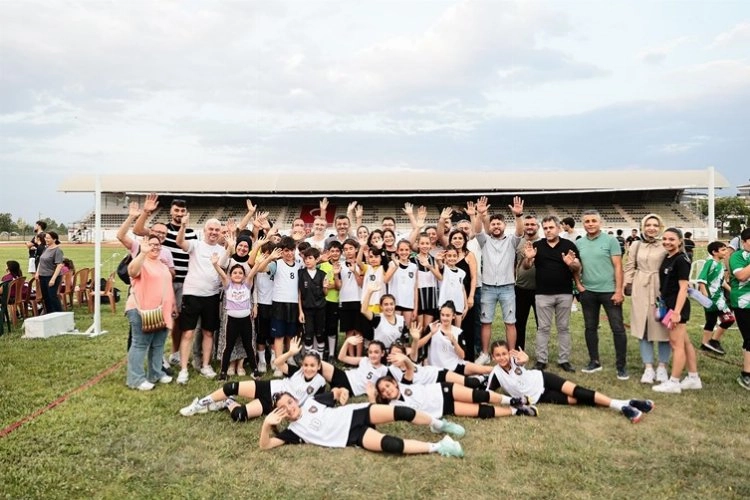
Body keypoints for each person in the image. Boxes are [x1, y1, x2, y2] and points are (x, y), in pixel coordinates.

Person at [260, 389, 465, 458]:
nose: (289, 408)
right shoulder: (293, 432)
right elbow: (265, 445)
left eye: (290, 402)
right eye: (283, 408)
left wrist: (342, 393)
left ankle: (438, 424)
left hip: (356, 414)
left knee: (403, 412)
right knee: (392, 445)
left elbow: (337, 392)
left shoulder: (313, 402)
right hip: (352, 436)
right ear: (280, 414)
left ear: (295, 400)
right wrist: (266, 425)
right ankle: (440, 446)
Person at [487, 341, 653, 423]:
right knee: (578, 400)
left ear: (509, 353)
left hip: (543, 379)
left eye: (504, 354)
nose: (502, 358)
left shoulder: (515, 359)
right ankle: (628, 402)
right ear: (493, 357)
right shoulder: (496, 373)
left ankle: (621, 407)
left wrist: (525, 359)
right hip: (539, 397)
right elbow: (489, 394)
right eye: (498, 355)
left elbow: (522, 361)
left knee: (579, 391)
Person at [179, 337, 327, 419]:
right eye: (306, 365)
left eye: (312, 366)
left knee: (239, 415)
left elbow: (317, 405)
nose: (308, 368)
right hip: (269, 388)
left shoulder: (320, 383)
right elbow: (277, 363)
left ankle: (227, 402)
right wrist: (290, 353)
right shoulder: (297, 372)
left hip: (273, 405)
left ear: (319, 366)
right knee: (231, 387)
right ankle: (199, 404)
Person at [373, 352, 537, 420]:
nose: (387, 390)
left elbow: (409, 368)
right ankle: (517, 411)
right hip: (444, 408)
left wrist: (405, 358)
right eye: (383, 391)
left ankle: (513, 400)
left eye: (387, 385)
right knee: (481, 411)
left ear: (394, 383)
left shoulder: (404, 384)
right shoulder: (393, 406)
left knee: (478, 396)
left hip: (443, 390)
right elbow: (374, 412)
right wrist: (371, 395)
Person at [134, 195, 198, 368]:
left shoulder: (191, 233)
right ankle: (158, 354)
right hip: (162, 282)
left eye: (182, 211)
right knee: (160, 318)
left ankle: (175, 353)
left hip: (184, 282)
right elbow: (138, 230)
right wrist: (146, 212)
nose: (179, 213)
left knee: (179, 320)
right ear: (171, 211)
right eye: (176, 210)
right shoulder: (161, 230)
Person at [521, 216, 580, 372]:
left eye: (551, 227)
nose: (548, 230)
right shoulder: (537, 245)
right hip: (543, 294)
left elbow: (578, 267)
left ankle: (564, 360)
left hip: (564, 293)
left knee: (563, 328)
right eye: (545, 228)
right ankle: (541, 360)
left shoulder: (569, 245)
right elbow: (527, 266)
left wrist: (571, 263)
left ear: (558, 228)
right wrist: (528, 258)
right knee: (543, 328)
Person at [576, 210, 629, 380]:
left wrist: (619, 290)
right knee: (590, 328)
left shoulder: (611, 241)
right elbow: (576, 267)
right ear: (583, 224)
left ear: (600, 223)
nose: (590, 224)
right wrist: (579, 285)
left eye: (594, 221)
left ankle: (621, 366)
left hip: (609, 292)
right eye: (587, 221)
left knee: (618, 329)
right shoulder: (579, 243)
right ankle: (594, 361)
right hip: (588, 292)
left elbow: (618, 267)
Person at [212, 248, 279, 381]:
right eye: (235, 273)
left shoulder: (247, 284)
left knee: (248, 345)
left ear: (244, 276)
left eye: (240, 273)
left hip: (245, 321)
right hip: (232, 321)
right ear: (230, 275)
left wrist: (258, 263)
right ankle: (223, 372)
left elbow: (252, 272)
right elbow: (222, 274)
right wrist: (215, 264)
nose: (237, 275)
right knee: (228, 346)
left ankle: (255, 371)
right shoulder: (228, 285)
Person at [471, 196, 524, 361]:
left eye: (498, 223)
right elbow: (477, 230)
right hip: (488, 287)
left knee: (510, 322)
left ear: (504, 225)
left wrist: (518, 215)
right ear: (490, 226)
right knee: (486, 322)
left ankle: (512, 354)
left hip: (507, 287)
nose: (495, 226)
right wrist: (480, 215)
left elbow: (520, 231)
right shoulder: (484, 241)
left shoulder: (511, 241)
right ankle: (484, 354)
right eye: (493, 224)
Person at [175, 214, 226, 384]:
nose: (213, 232)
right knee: (188, 332)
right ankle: (183, 369)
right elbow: (179, 242)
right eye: (211, 229)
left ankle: (206, 365)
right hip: (192, 294)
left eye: (217, 230)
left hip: (211, 295)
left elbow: (224, 268)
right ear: (204, 230)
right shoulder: (196, 245)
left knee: (208, 332)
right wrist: (183, 226)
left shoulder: (221, 250)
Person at [623, 213, 671, 385]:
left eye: (655, 225)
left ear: (660, 227)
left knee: (664, 327)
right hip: (641, 288)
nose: (651, 228)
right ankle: (648, 367)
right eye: (648, 225)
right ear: (643, 227)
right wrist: (626, 286)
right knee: (643, 328)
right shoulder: (636, 245)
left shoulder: (666, 243)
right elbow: (629, 267)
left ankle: (662, 367)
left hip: (662, 288)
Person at [652, 228, 702, 394]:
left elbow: (683, 288)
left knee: (676, 344)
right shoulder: (668, 257)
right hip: (668, 304)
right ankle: (694, 378)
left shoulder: (681, 260)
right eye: (665, 239)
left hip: (676, 307)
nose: (667, 242)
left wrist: (676, 312)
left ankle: (674, 381)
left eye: (672, 239)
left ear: (680, 241)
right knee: (685, 343)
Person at [125, 233, 175, 390]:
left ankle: (156, 373)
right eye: (151, 244)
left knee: (158, 344)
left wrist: (173, 305)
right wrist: (142, 253)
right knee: (140, 344)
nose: (155, 247)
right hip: (141, 310)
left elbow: (167, 286)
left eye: (157, 245)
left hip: (161, 311)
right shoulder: (142, 262)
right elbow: (132, 272)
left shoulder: (162, 264)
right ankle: (136, 379)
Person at [413, 301, 492, 376]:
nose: (444, 318)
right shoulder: (432, 327)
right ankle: (481, 379)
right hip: (437, 369)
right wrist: (431, 334)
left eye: (447, 315)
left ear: (453, 316)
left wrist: (454, 342)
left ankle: (496, 371)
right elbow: (417, 346)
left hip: (455, 366)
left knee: (482, 369)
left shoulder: (458, 332)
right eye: (442, 315)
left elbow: (462, 356)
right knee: (469, 381)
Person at [696, 241, 734, 355]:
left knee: (712, 320)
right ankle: (713, 341)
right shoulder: (710, 263)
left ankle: (706, 344)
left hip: (719, 298)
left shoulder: (719, 265)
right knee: (729, 319)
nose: (726, 251)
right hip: (712, 299)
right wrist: (705, 296)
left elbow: (722, 282)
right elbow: (701, 279)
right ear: (714, 252)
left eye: (726, 249)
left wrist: (732, 291)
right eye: (723, 250)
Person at [728, 228, 750, 390]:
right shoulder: (737, 256)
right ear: (743, 242)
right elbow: (741, 276)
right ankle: (746, 374)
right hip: (743, 302)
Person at [298, 247, 329, 358]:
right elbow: (299, 293)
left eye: (310, 258)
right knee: (308, 334)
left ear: (317, 259)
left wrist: (325, 287)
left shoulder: (322, 274)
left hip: (320, 309)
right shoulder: (301, 273)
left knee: (320, 334)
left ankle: (320, 358)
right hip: (307, 309)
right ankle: (308, 359)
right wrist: (300, 311)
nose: (307, 261)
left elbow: (325, 293)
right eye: (306, 258)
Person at [336, 238, 364, 358]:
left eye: (351, 248)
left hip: (358, 300)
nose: (348, 251)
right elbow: (338, 286)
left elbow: (361, 284)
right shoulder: (340, 266)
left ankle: (358, 358)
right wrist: (336, 274)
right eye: (346, 249)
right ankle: (351, 357)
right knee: (349, 331)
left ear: (356, 249)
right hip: (344, 301)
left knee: (358, 330)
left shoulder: (361, 265)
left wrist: (355, 272)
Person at [514, 215, 539, 352]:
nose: (529, 227)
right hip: (521, 288)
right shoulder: (517, 242)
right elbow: (513, 263)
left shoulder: (543, 242)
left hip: (540, 289)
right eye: (527, 224)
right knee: (519, 323)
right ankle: (519, 351)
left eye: (532, 224)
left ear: (538, 227)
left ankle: (541, 354)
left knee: (541, 324)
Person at [383, 239, 418, 328]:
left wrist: (415, 308)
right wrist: (395, 267)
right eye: (401, 250)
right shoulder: (392, 264)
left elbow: (415, 289)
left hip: (408, 303)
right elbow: (385, 280)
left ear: (410, 251)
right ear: (397, 251)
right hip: (395, 303)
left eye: (406, 250)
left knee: (406, 330)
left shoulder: (414, 267)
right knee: (394, 329)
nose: (404, 252)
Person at [360, 284, 406, 348]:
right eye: (386, 304)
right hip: (380, 352)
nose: (389, 307)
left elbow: (405, 342)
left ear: (395, 305)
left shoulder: (401, 320)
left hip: (395, 353)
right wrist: (369, 292)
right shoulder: (378, 318)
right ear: (381, 306)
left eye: (391, 304)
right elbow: (364, 310)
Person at [436, 246, 468, 325]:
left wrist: (466, 306)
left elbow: (462, 289)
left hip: (458, 304)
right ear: (445, 257)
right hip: (445, 304)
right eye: (449, 256)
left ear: (457, 257)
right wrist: (438, 259)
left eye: (454, 256)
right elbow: (440, 264)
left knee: (457, 329)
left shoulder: (462, 272)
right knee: (445, 328)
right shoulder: (444, 269)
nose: (452, 258)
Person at [35, 231, 64, 314]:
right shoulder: (46, 248)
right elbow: (41, 261)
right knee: (46, 297)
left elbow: (59, 265)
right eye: (45, 238)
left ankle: (59, 314)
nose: (46, 239)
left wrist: (53, 279)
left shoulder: (57, 250)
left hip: (51, 276)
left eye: (48, 238)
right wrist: (37, 272)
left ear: (54, 239)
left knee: (52, 296)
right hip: (42, 276)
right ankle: (49, 314)